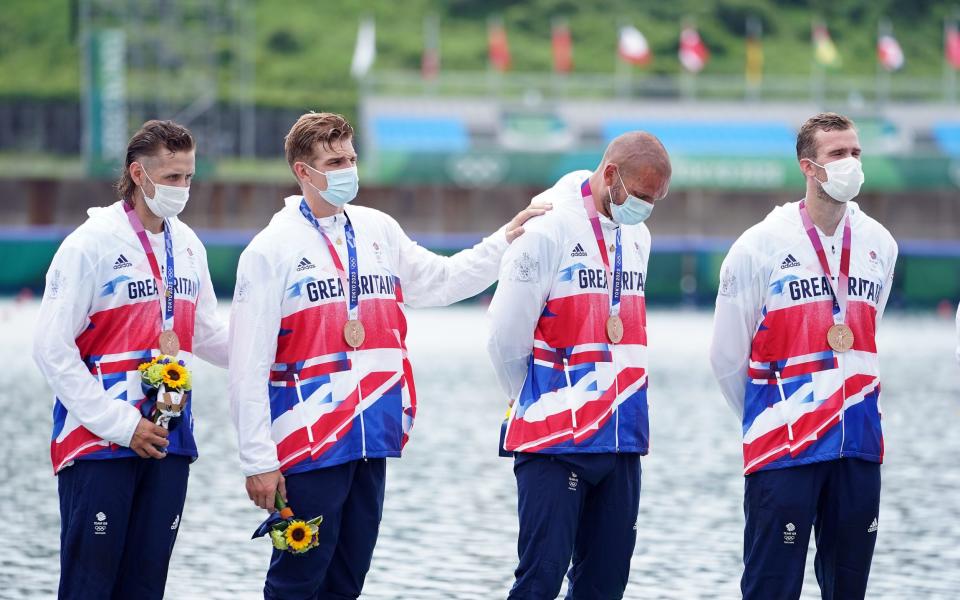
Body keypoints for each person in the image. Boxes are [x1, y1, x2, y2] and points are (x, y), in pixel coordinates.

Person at [228, 111, 548, 599]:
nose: (348, 170)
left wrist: (504, 240)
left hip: (370, 436)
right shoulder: (269, 251)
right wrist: (258, 461)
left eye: (352, 158)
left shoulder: (378, 229)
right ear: (302, 171)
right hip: (306, 446)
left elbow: (441, 281)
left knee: (347, 581)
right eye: (334, 162)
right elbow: (246, 365)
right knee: (296, 582)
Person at [33, 119, 229, 599]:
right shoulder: (90, 243)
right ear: (138, 175)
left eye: (188, 176)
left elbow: (207, 335)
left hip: (167, 438)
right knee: (90, 588)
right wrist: (121, 425)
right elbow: (49, 349)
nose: (183, 189)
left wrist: (283, 344)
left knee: (146, 588)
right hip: (101, 443)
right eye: (172, 178)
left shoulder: (188, 245)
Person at [709, 112, 898, 600]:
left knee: (849, 590)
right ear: (808, 167)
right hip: (784, 447)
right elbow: (728, 358)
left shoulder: (881, 244)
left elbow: (865, 334)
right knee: (772, 589)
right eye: (838, 154)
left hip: (857, 445)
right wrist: (773, 417)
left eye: (856, 153)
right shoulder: (758, 247)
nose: (851, 163)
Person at [487, 131, 671, 599]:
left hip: (622, 436)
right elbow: (504, 335)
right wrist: (535, 399)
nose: (648, 207)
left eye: (657, 199)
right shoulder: (546, 227)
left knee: (605, 587)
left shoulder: (639, 235)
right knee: (539, 581)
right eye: (643, 195)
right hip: (554, 439)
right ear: (611, 175)